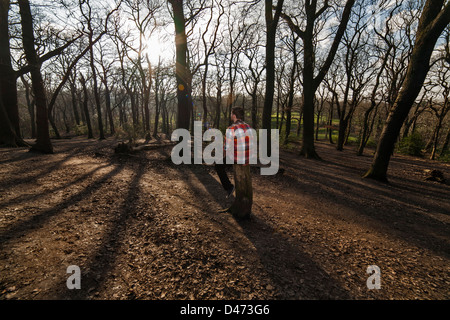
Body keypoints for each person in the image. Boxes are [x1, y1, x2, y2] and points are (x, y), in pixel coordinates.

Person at [215, 106, 254, 198]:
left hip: (238, 158)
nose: (230, 115)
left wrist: (225, 156)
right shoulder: (249, 127)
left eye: (231, 113)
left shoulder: (231, 128)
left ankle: (229, 187)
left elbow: (226, 147)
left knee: (218, 165)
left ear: (234, 115)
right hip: (248, 157)